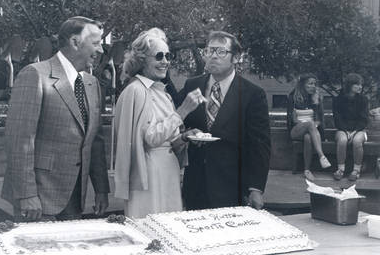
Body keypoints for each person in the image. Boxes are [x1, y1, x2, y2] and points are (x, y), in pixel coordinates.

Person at [1, 16, 110, 221]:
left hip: (76, 197)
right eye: (96, 43)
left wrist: (101, 189)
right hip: (39, 199)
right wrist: (27, 195)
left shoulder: (92, 83)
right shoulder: (35, 75)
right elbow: (19, 140)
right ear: (75, 42)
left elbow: (94, 140)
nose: (102, 50)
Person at [114, 28, 201, 218]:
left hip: (167, 170)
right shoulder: (136, 91)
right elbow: (151, 138)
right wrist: (183, 110)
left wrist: (184, 137)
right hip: (148, 174)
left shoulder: (161, 92)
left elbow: (167, 139)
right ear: (142, 60)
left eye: (168, 56)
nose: (165, 62)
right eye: (159, 56)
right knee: (151, 230)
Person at [180, 31, 271, 210]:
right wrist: (187, 133)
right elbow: (179, 121)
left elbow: (259, 145)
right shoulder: (192, 85)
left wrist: (256, 189)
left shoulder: (252, 94)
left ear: (236, 57)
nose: (213, 56)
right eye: (209, 51)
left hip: (233, 186)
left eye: (221, 52)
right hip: (195, 184)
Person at [286, 74, 331, 181]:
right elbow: (292, 120)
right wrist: (308, 124)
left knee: (308, 138)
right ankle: (322, 156)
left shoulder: (316, 99)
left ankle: (307, 170)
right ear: (302, 85)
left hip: (311, 130)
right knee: (310, 124)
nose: (313, 86)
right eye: (310, 83)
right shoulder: (293, 97)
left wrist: (315, 125)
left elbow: (319, 119)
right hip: (296, 129)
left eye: (315, 84)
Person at [332, 73, 369, 181]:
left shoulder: (363, 99)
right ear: (349, 85)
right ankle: (340, 170)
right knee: (342, 140)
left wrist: (354, 132)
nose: (360, 87)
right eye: (357, 84)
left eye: (361, 84)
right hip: (342, 129)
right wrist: (345, 131)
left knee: (357, 141)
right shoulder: (338, 100)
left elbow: (364, 119)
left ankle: (356, 170)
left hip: (359, 129)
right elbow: (337, 119)